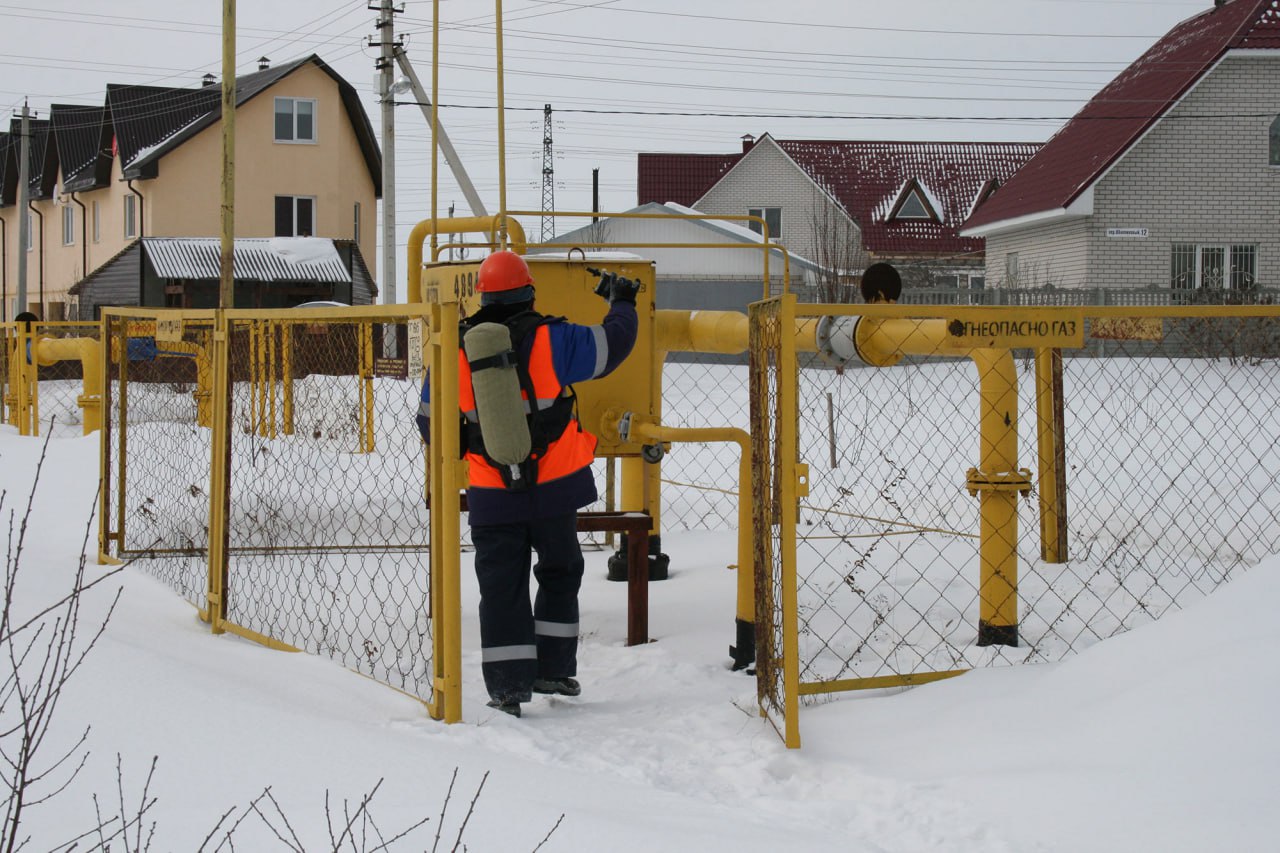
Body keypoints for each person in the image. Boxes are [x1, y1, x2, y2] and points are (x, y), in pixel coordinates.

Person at [416, 250, 639, 717]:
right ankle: (554, 669)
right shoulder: (551, 338)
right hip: (554, 488)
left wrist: (482, 449)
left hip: (491, 494)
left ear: (481, 294)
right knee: (560, 571)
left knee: (500, 587)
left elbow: (428, 421)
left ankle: (507, 689)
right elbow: (610, 347)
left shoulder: (454, 348)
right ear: (529, 291)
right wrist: (623, 304)